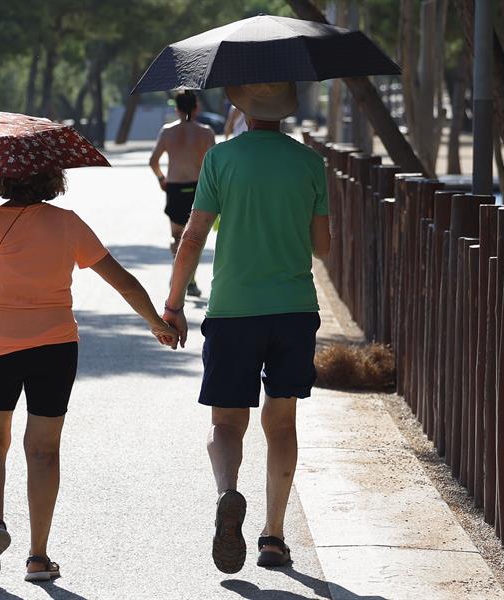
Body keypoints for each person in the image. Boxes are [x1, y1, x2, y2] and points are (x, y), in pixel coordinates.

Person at [0, 172, 178, 582]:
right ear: (51, 178)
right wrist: (156, 323)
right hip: (54, 347)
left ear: (0, 179)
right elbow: (121, 281)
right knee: (43, 450)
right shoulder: (67, 223)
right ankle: (38, 557)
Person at [162, 82, 331, 574]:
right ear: (287, 109)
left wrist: (173, 304)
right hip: (294, 309)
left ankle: (228, 493)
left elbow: (192, 237)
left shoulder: (221, 159)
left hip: (234, 310)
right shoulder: (309, 163)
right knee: (281, 424)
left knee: (226, 423)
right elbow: (323, 247)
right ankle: (274, 537)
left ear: (241, 107)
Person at [149, 91, 215, 298]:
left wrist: (161, 179)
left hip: (175, 188)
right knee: (195, 237)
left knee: (177, 237)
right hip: (198, 189)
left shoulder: (167, 132)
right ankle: (190, 280)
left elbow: (153, 160)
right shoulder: (206, 132)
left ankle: (178, 274)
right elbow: (214, 164)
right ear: (196, 107)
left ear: (176, 108)